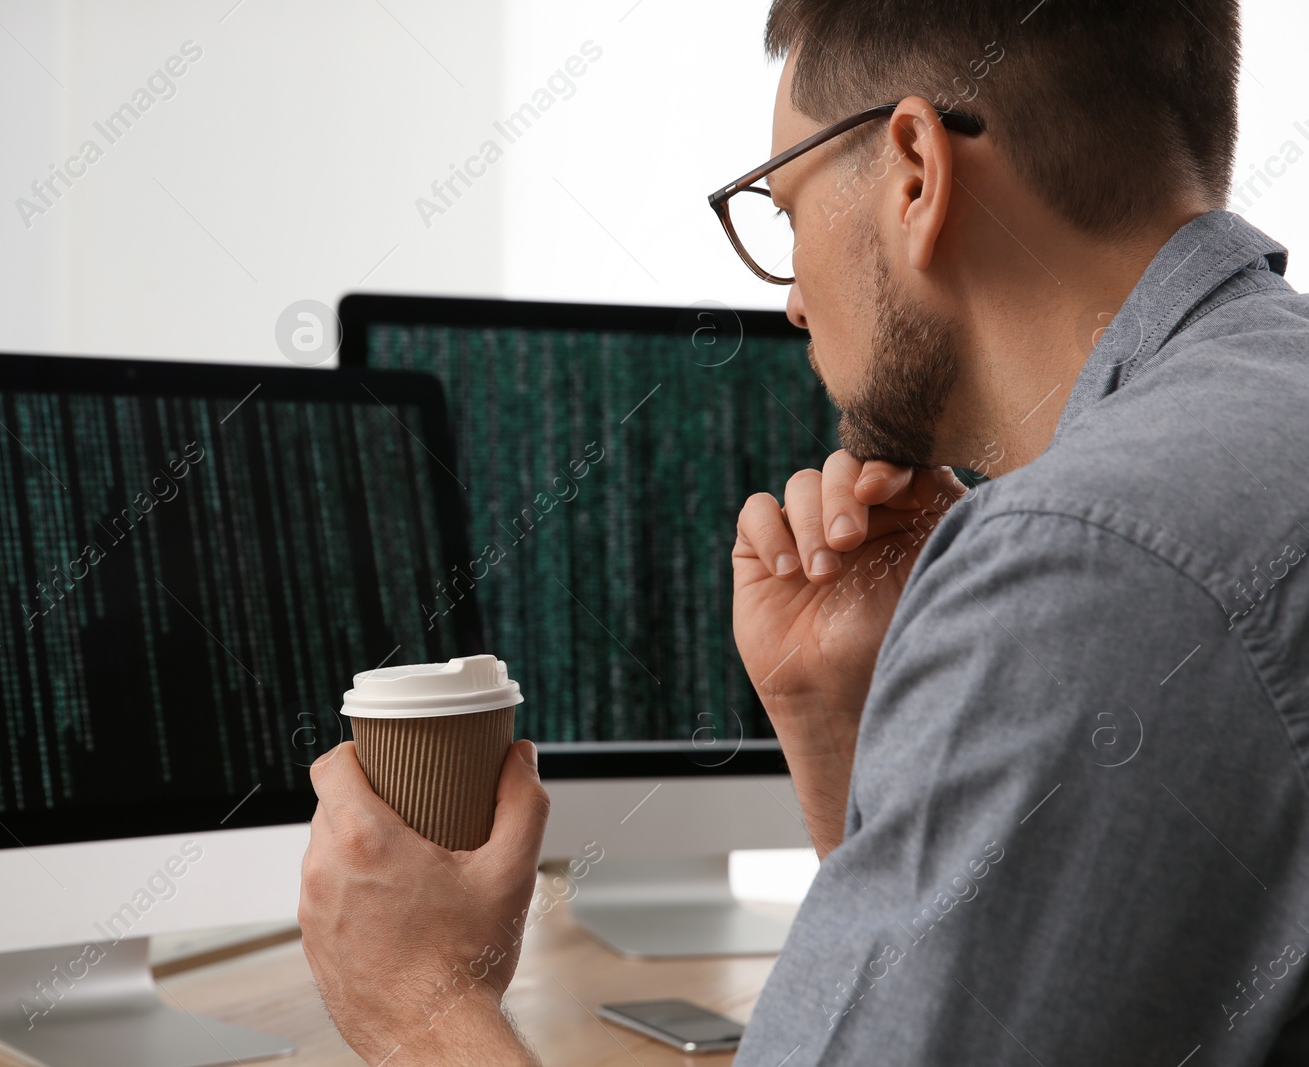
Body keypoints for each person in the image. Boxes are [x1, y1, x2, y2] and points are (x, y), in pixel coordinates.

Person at [297, 0, 1309, 1062]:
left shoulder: (1086, 562)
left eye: (782, 211)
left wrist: (416, 1003)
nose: (789, 304)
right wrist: (844, 733)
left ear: (915, 170)